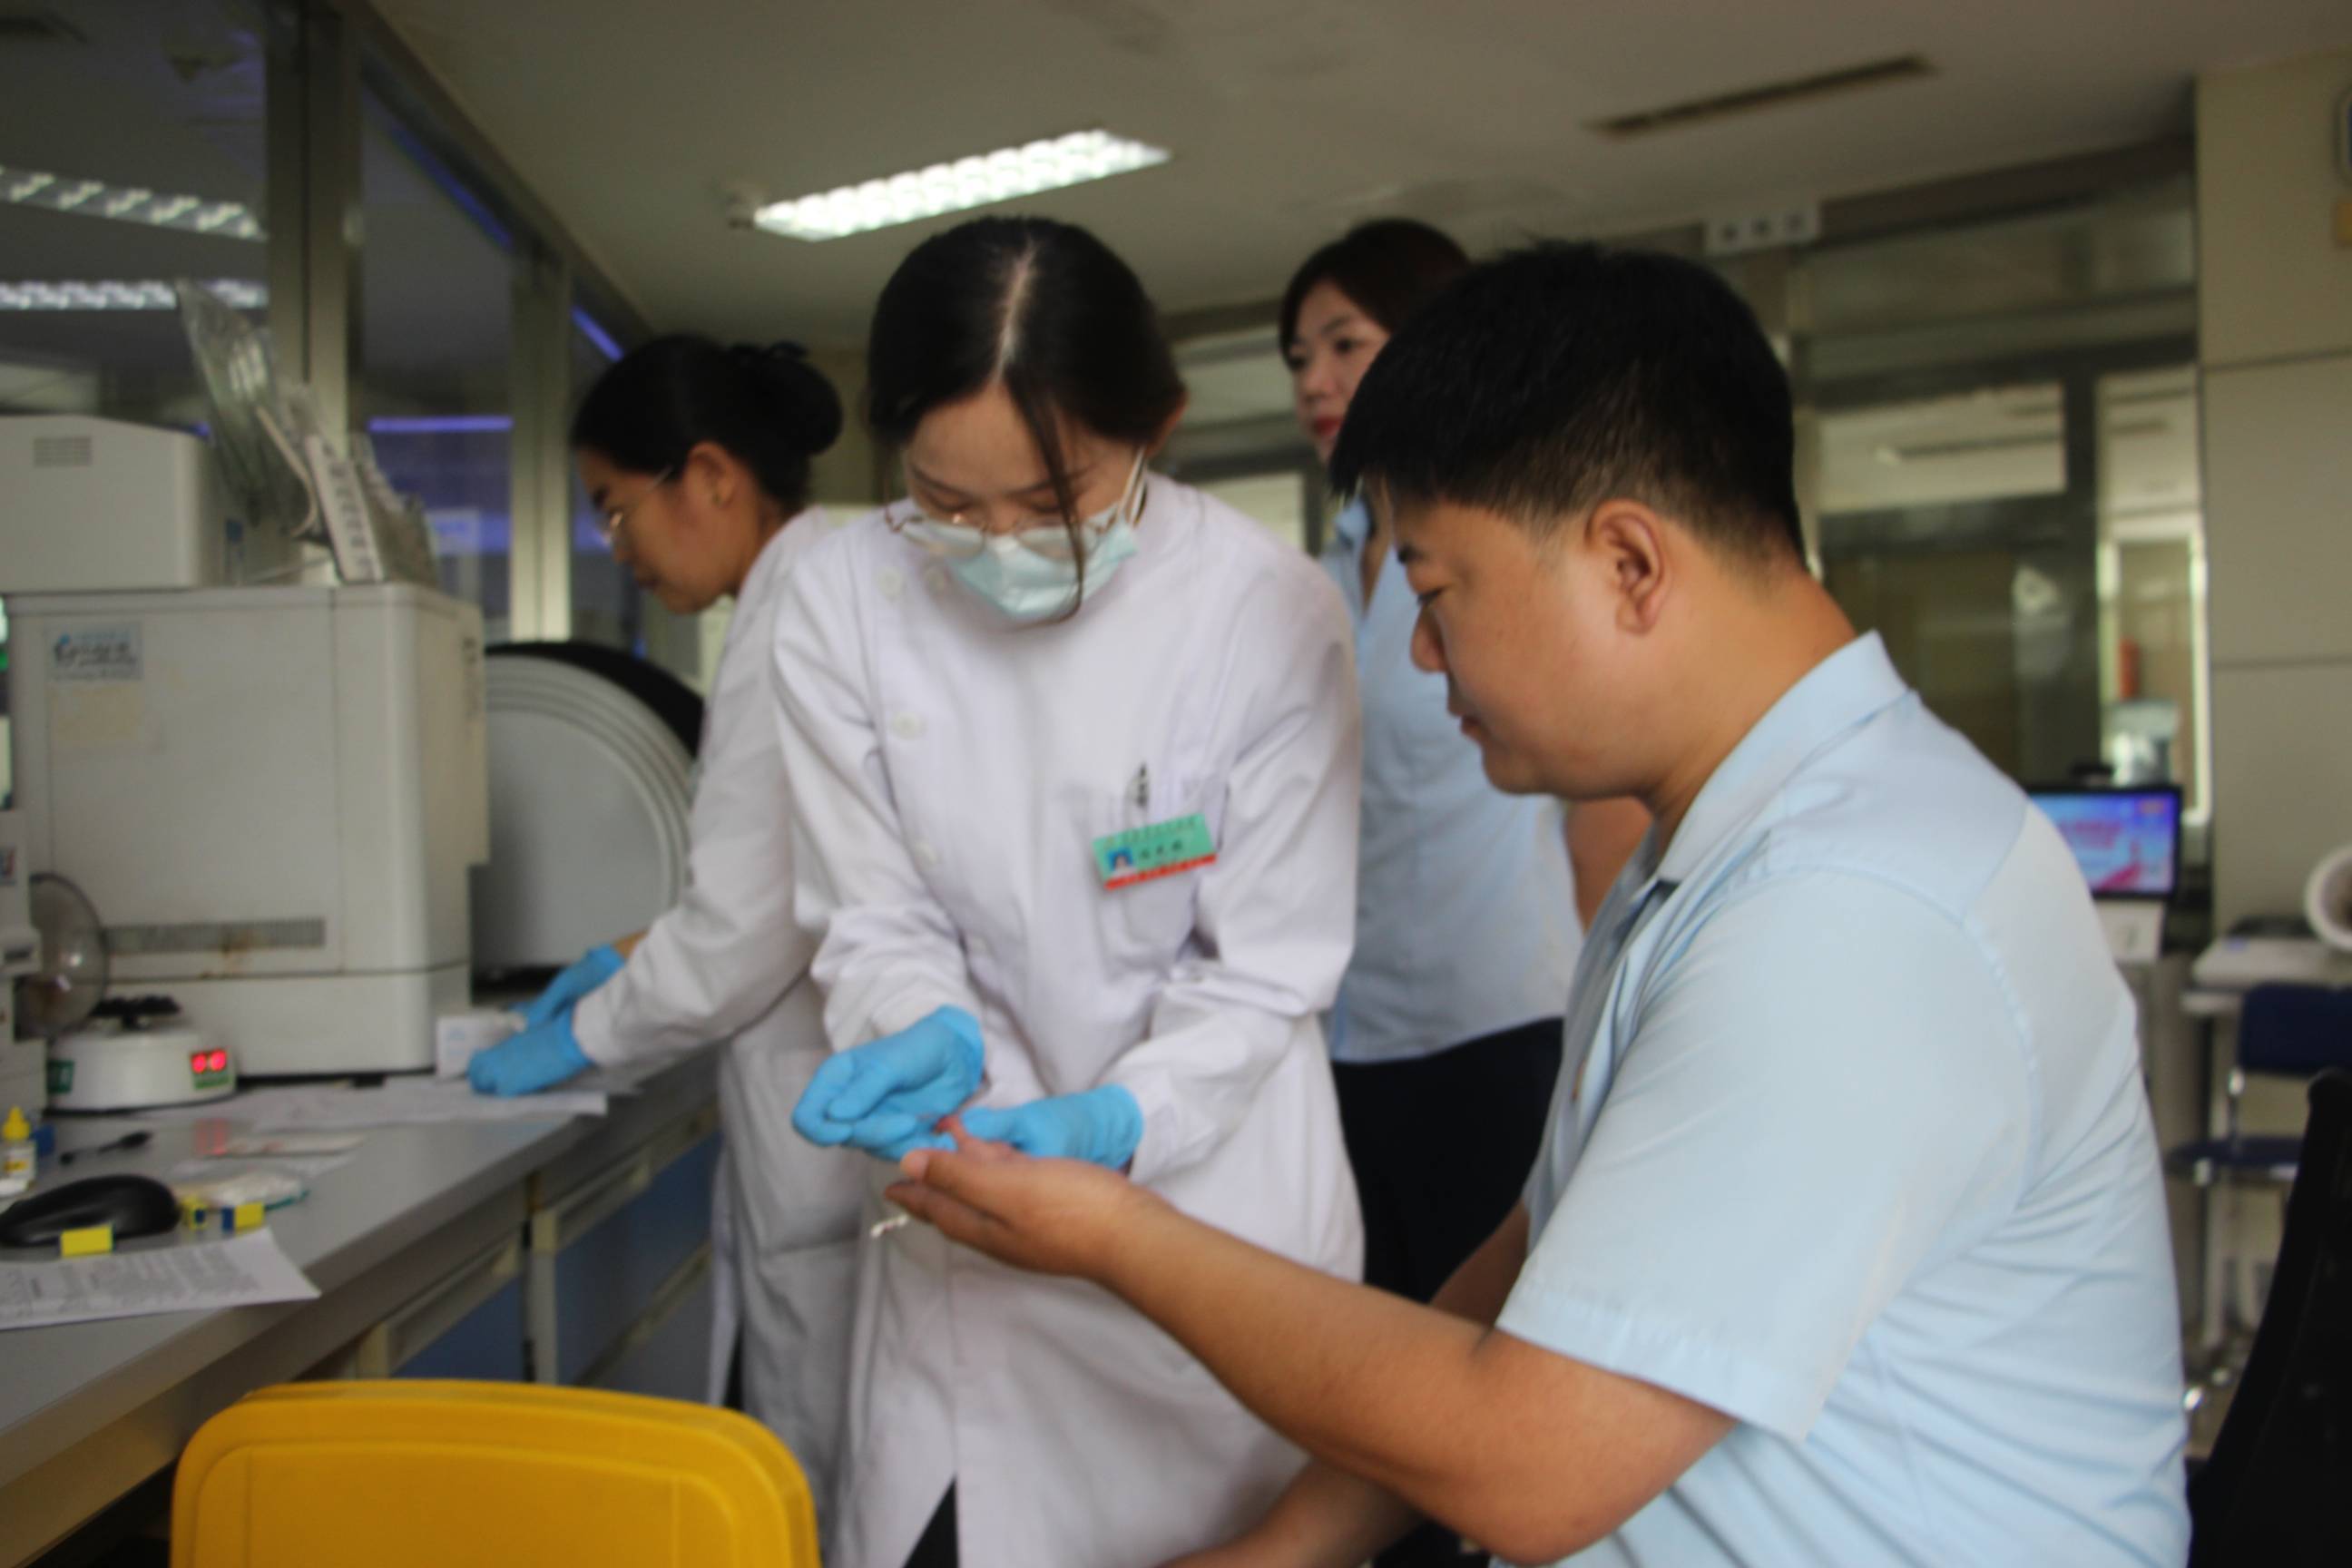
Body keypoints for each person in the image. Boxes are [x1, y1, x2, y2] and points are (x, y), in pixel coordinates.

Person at [885, 244, 2192, 1567]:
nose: (1420, 651)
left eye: (1438, 591)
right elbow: (1537, 1258)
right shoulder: (1725, 846)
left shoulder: (1849, 912)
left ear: (1629, 563)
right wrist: (1275, 1556)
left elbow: (1527, 1463)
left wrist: (1111, 1234)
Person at [776, 216, 1366, 1568]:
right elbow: (875, 911)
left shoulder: (1265, 611)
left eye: (1052, 506)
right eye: (946, 503)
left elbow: (1265, 972)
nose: (998, 544)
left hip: (1212, 1236)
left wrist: (1118, 1122)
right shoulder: (839, 600)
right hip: (966, 1261)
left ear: (1154, 428)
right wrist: (916, 1025)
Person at [465, 335, 867, 1520]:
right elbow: (780, 882)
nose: (616, 545)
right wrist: (632, 957)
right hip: (832, 1102)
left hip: (830, 1123)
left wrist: (581, 1034)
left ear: (710, 476)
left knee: (824, 1490)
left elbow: (740, 936)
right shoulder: (812, 585)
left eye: (613, 507)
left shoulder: (796, 618)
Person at [1282, 227, 1647, 1455]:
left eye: (1347, 344)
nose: (1318, 381)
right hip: (1346, 1032)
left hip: (1491, 1028)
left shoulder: (1504, 549)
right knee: (1377, 1372)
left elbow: (1603, 803)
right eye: (1299, 358)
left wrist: (1612, 1022)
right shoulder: (1326, 565)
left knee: (1485, 1387)